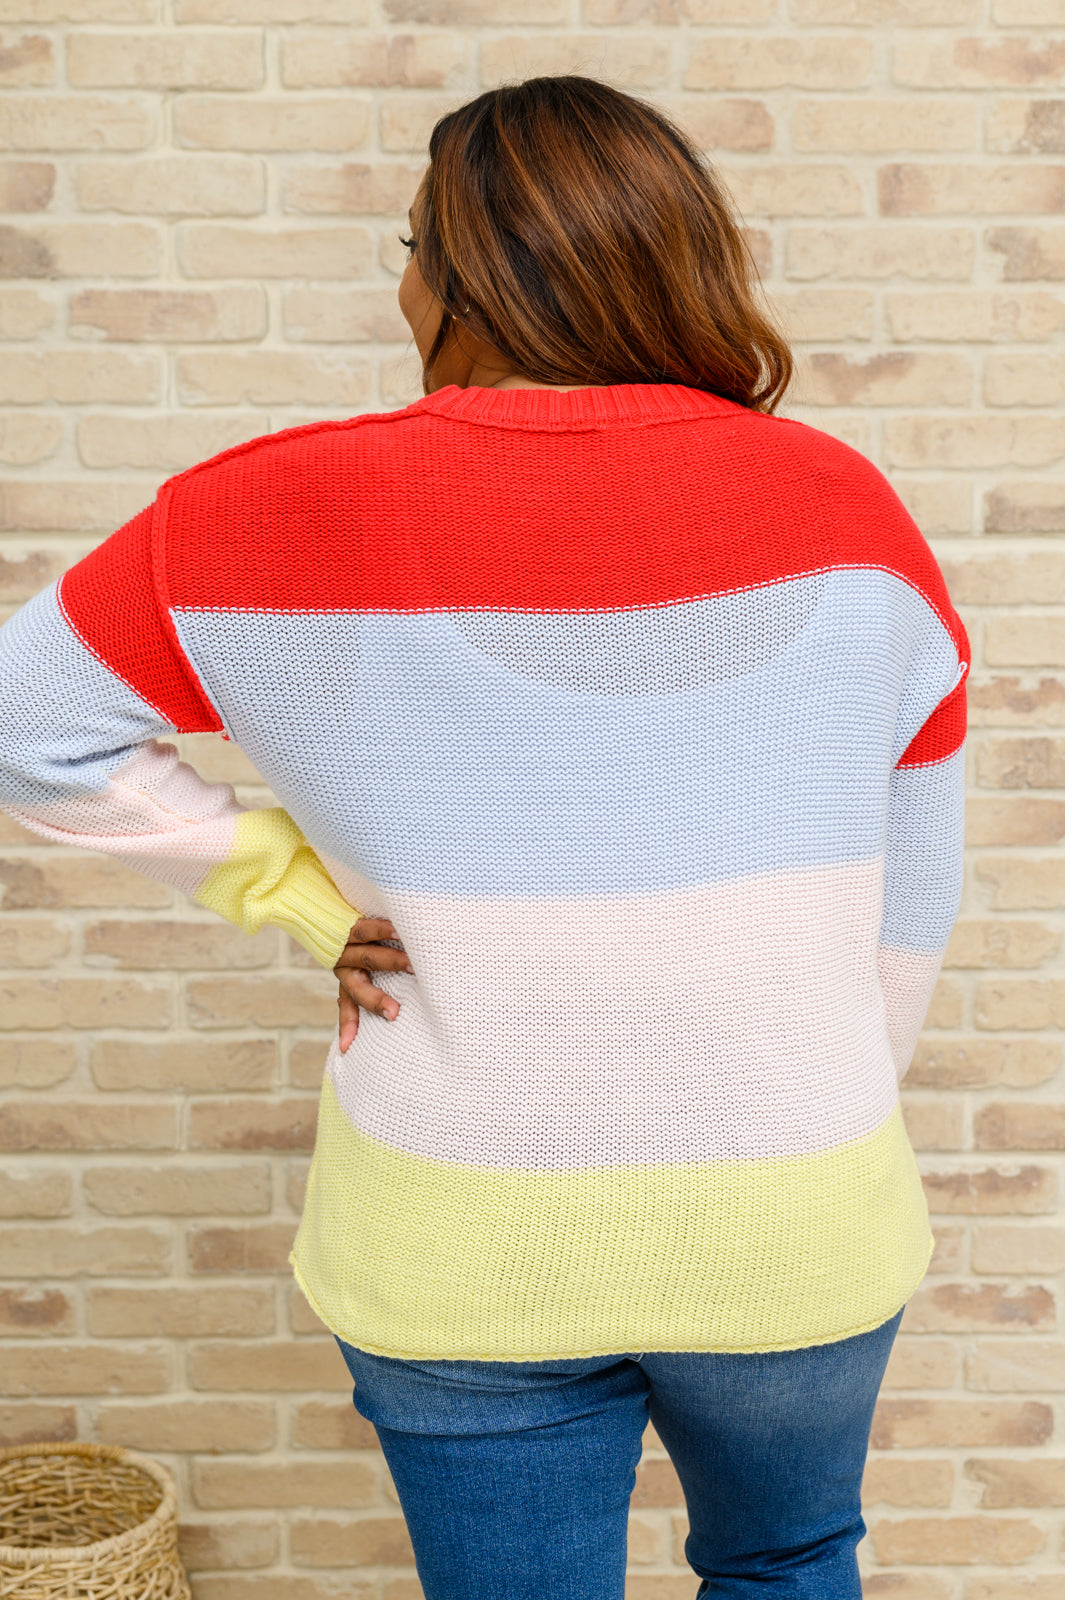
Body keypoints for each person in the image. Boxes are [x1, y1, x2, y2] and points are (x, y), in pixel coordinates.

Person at [0, 74, 967, 1600]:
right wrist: (805, 1096)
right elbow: (915, 878)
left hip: (456, 1225)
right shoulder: (847, 512)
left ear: (460, 276)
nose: (401, 285)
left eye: (410, 247)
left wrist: (296, 898)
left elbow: (27, 724)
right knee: (787, 1561)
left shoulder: (267, 508)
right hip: (791, 1203)